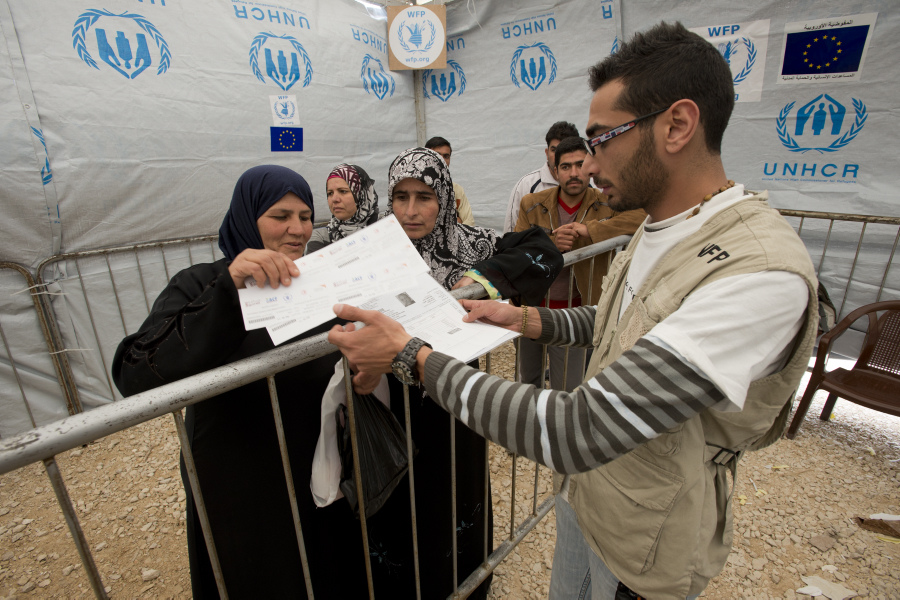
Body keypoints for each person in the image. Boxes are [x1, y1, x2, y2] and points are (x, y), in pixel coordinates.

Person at [328, 22, 819, 600]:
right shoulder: (665, 224)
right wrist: (526, 319)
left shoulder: (756, 275)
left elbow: (580, 427)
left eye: (603, 138)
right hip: (587, 499)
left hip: (643, 542)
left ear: (677, 125)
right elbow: (623, 321)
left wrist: (411, 356)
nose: (585, 163)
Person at [112, 165, 368, 599]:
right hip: (241, 476)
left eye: (306, 216)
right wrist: (229, 287)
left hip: (316, 461)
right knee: (256, 570)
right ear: (248, 217)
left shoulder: (316, 278)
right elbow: (135, 371)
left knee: (323, 564)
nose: (298, 229)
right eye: (280, 215)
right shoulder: (200, 282)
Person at [358, 147, 562, 600]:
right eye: (401, 196)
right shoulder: (371, 249)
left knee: (449, 491)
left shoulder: (469, 243)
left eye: (425, 197)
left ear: (445, 198)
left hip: (453, 401)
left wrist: (479, 281)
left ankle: (463, 580)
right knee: (397, 498)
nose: (411, 211)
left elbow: (544, 251)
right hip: (390, 401)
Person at [515, 136, 645, 392]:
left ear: (591, 167)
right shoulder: (532, 203)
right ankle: (532, 430)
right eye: (566, 167)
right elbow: (515, 246)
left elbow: (642, 216)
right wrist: (551, 242)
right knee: (528, 383)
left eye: (580, 165)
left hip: (575, 313)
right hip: (531, 306)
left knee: (569, 387)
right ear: (555, 170)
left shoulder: (607, 202)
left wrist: (591, 229)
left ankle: (559, 432)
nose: (574, 173)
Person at [503, 120, 580, 232]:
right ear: (546, 152)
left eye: (564, 150)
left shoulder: (590, 184)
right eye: (554, 150)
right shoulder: (526, 185)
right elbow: (510, 235)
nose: (558, 155)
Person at [305, 163, 379, 254]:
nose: (335, 199)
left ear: (363, 195)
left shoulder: (386, 230)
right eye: (330, 193)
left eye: (343, 191)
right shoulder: (321, 238)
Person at [424, 136, 475, 225]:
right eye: (437, 155)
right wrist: (455, 221)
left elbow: (469, 222)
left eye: (446, 156)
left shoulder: (456, 189)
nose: (442, 160)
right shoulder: (416, 185)